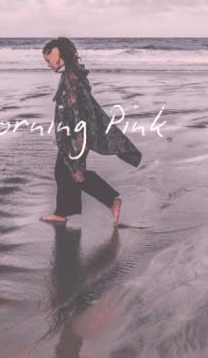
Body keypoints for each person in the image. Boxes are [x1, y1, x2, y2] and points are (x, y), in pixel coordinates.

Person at [39, 37, 142, 227]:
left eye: (48, 60)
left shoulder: (71, 79)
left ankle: (111, 201)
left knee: (73, 173)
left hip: (76, 136)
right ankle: (64, 212)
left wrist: (80, 139)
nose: (48, 65)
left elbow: (79, 111)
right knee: (65, 172)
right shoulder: (72, 75)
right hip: (75, 134)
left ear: (58, 56)